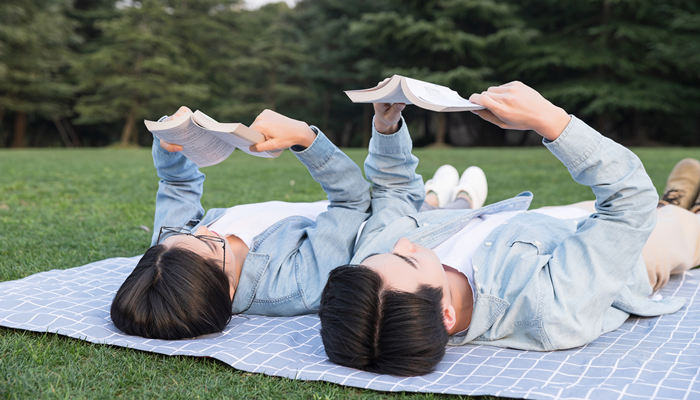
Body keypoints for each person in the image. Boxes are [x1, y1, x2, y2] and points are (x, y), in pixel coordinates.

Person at [318, 81, 700, 376]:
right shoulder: (549, 308)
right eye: (410, 260)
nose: (404, 242)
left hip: (548, 224)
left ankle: (670, 202)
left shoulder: (375, 270)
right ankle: (681, 209)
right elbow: (628, 202)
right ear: (446, 316)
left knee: (630, 209)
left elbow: (393, 194)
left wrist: (387, 126)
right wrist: (551, 120)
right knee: (671, 224)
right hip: (623, 262)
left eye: (389, 254)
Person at [110, 106, 377, 339]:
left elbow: (178, 183)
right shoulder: (296, 285)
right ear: (228, 288)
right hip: (377, 213)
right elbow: (352, 202)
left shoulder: (172, 255)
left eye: (190, 234)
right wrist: (305, 139)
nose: (201, 229)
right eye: (212, 244)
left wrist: (171, 137)